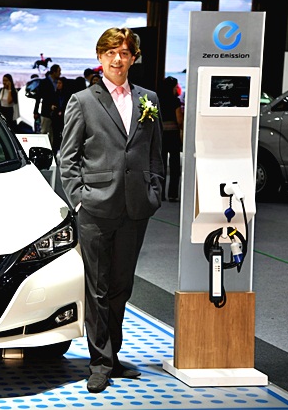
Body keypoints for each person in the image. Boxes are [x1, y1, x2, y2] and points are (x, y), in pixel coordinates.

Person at [59, 27, 164, 394]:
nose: (118, 59)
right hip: (96, 207)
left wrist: (154, 192)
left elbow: (155, 153)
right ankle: (100, 363)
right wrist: (79, 199)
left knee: (122, 286)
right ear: (100, 57)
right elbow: (68, 158)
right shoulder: (83, 101)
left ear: (133, 57)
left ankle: (113, 355)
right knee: (98, 288)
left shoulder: (148, 99)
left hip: (136, 207)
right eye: (111, 53)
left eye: (124, 53)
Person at [159, 76, 184, 202]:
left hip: (161, 135)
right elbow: (179, 120)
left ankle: (160, 194)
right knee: (174, 166)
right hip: (173, 135)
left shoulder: (157, 100)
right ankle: (172, 194)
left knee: (161, 164)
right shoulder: (175, 101)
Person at [33, 64, 61, 149]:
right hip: (46, 110)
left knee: (53, 133)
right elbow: (38, 97)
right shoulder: (44, 82)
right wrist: (35, 111)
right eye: (59, 71)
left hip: (55, 111)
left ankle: (51, 149)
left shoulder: (58, 82)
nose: (60, 73)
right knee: (44, 131)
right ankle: (42, 148)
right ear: (54, 72)